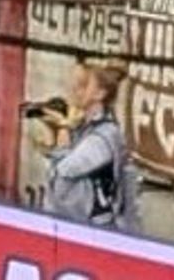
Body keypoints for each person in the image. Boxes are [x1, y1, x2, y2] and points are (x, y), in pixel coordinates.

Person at [37, 60, 139, 232]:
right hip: (68, 225)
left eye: (83, 85)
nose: (75, 90)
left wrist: (63, 131)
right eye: (74, 84)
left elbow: (64, 170)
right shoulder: (80, 126)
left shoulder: (106, 135)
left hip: (96, 232)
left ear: (100, 93)